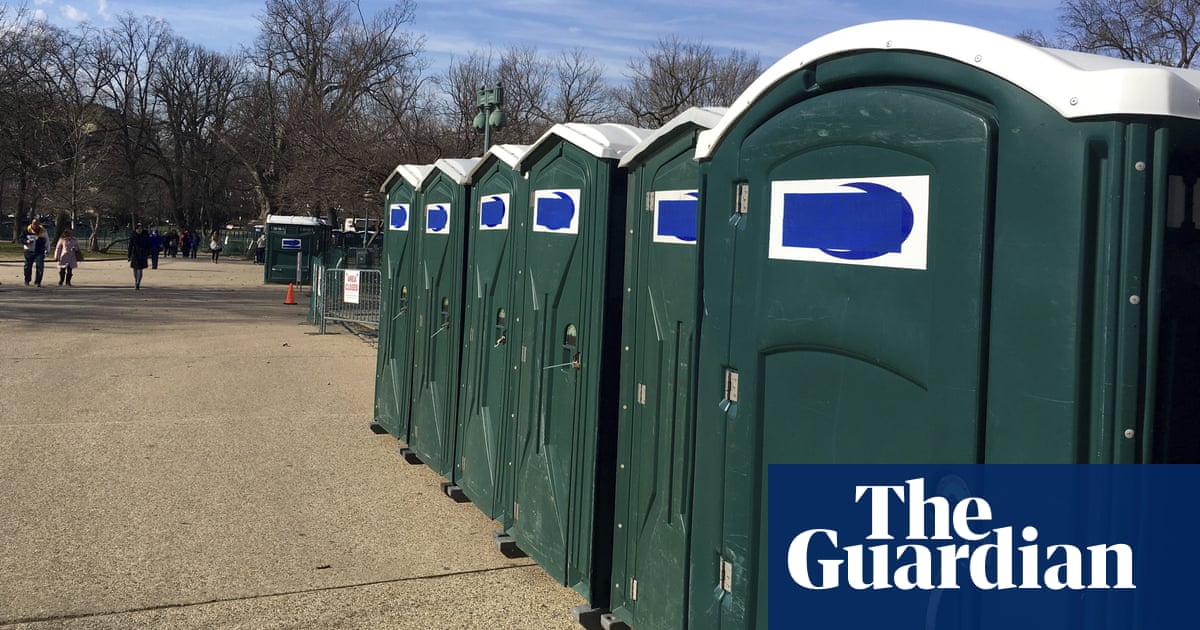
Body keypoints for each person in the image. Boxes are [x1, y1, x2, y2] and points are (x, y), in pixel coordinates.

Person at [22, 217, 48, 287]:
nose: (35, 225)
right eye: (34, 224)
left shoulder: (43, 230)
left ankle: (38, 282)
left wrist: (47, 250)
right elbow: (21, 238)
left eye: (37, 224)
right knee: (27, 267)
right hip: (29, 250)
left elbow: (47, 241)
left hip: (39, 251)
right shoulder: (27, 230)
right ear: (32, 224)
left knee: (40, 267)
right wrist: (26, 241)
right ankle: (27, 280)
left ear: (39, 224)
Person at [128, 223, 151, 290]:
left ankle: (138, 283)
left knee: (140, 269)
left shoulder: (145, 235)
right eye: (138, 229)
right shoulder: (133, 235)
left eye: (140, 228)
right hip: (135, 253)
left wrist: (148, 253)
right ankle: (136, 280)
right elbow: (130, 246)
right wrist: (129, 255)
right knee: (135, 269)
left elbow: (148, 244)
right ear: (136, 229)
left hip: (143, 254)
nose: (139, 230)